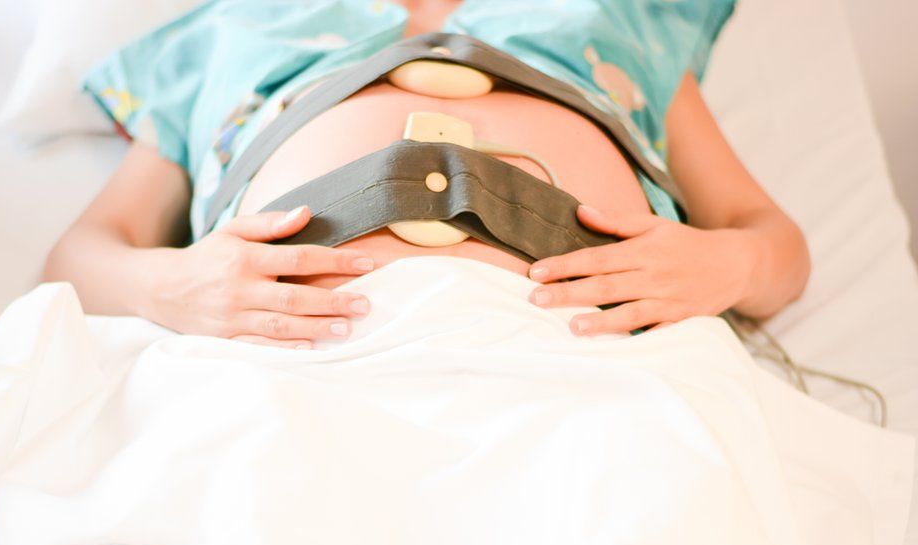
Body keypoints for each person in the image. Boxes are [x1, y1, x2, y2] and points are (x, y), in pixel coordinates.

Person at [43, 0, 809, 350]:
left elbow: (775, 246)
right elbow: (78, 258)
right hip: (293, 359)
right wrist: (167, 286)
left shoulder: (614, 16)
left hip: (582, 350)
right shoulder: (232, 26)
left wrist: (727, 263)